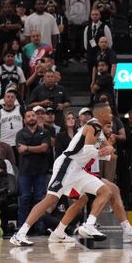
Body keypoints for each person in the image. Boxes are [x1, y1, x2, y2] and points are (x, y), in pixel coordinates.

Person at [9, 101, 116, 246]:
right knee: (50, 199)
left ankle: (66, 230)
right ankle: (19, 234)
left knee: (101, 193)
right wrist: (105, 150)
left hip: (78, 168)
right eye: (109, 112)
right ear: (102, 114)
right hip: (67, 165)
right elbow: (88, 151)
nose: (111, 115)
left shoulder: (99, 131)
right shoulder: (94, 125)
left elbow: (108, 154)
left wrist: (109, 149)